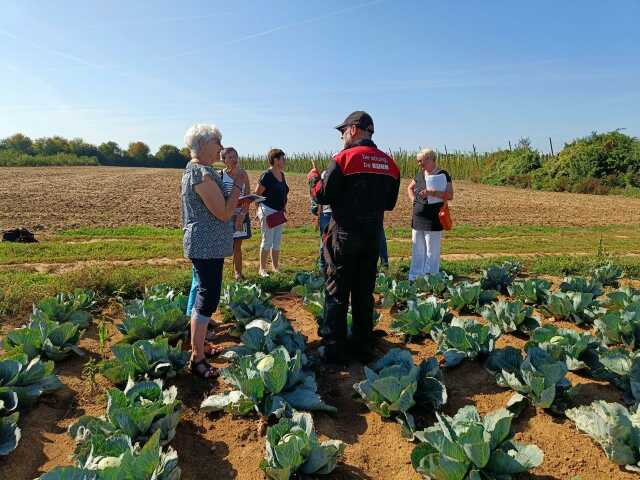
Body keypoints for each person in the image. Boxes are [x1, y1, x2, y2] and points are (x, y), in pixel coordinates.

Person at [307, 111, 400, 363]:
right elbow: (390, 203)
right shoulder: (390, 164)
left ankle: (334, 348)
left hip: (343, 235)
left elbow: (322, 195)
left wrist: (314, 179)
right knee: (363, 292)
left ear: (355, 129)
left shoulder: (343, 159)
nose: (341, 136)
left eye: (343, 131)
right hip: (372, 236)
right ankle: (362, 345)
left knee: (336, 291)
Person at [181, 123, 249, 379]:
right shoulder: (200, 173)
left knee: (204, 293)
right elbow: (222, 212)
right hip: (205, 245)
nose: (221, 148)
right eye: (218, 143)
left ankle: (201, 347)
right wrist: (240, 187)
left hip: (207, 244)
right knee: (207, 298)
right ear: (204, 144)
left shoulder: (202, 171)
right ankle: (196, 358)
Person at [407, 148, 454, 280]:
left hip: (433, 218)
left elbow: (449, 195)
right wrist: (413, 201)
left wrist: (432, 193)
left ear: (429, 159)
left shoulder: (442, 174)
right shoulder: (420, 174)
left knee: (432, 251)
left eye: (420, 161)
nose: (419, 164)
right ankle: (415, 276)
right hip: (418, 217)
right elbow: (409, 188)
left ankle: (431, 278)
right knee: (417, 249)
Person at [255, 148, 289, 277]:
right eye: (282, 158)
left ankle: (275, 267)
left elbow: (284, 191)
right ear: (275, 160)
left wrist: (283, 206)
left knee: (277, 241)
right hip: (268, 211)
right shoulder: (267, 175)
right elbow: (257, 194)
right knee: (267, 240)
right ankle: (262, 269)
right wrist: (259, 211)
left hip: (279, 213)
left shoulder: (282, 174)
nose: (284, 160)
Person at [221, 147, 251, 280]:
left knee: (237, 246)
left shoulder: (243, 174)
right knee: (221, 246)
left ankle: (238, 273)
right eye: (230, 157)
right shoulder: (220, 176)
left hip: (240, 216)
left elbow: (248, 196)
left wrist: (242, 215)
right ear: (224, 160)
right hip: (225, 216)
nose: (234, 159)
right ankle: (217, 273)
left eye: (235, 156)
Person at [311, 170, 332, 272]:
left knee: (325, 241)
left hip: (327, 214)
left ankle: (324, 266)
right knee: (325, 241)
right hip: (327, 214)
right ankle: (323, 265)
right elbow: (319, 202)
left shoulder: (325, 175)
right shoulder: (329, 176)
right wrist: (318, 218)